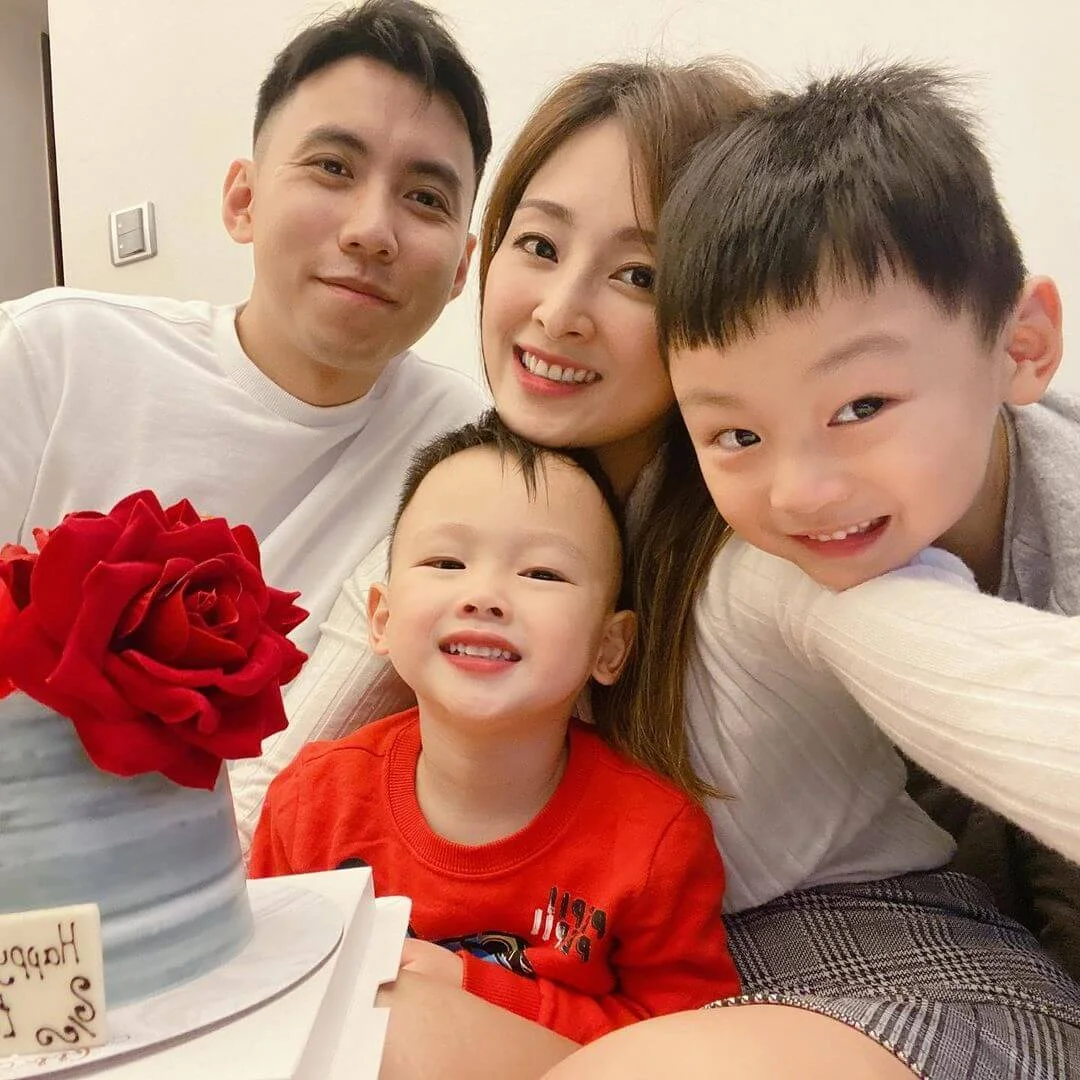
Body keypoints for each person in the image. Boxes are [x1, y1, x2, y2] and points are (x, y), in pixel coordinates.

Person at [286, 60, 1080, 1080]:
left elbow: (993, 685)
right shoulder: (487, 499)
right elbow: (282, 776)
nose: (558, 312)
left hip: (878, 965)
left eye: (639, 276)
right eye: (539, 246)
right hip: (648, 989)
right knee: (372, 1024)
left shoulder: (778, 542)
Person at [658, 64, 1080, 980]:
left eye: (861, 407)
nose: (799, 492)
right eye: (737, 435)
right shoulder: (752, 581)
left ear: (1021, 347)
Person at [0, 0, 489, 664]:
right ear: (244, 201)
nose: (372, 231)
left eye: (426, 198)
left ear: (461, 268)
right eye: (333, 167)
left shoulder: (461, 443)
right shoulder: (51, 358)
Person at [248, 410, 740, 1043]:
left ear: (610, 647)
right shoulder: (312, 802)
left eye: (541, 574)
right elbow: (264, 992)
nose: (483, 595)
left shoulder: (655, 840)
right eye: (446, 562)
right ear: (382, 619)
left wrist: (471, 986)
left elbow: (684, 1043)